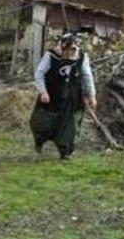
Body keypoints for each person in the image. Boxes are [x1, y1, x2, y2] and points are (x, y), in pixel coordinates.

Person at [29, 32, 97, 160]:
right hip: (51, 97)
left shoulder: (82, 57)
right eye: (68, 51)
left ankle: (65, 153)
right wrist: (43, 91)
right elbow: (39, 74)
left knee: (70, 127)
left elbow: (87, 76)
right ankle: (38, 147)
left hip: (72, 98)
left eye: (73, 51)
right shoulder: (51, 56)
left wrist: (92, 95)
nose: (70, 54)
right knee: (41, 125)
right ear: (62, 47)